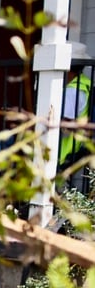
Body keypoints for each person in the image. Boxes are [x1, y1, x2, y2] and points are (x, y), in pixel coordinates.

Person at [60, 44, 92, 190]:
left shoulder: (72, 91)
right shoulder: (85, 84)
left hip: (65, 150)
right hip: (79, 146)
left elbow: (65, 124)